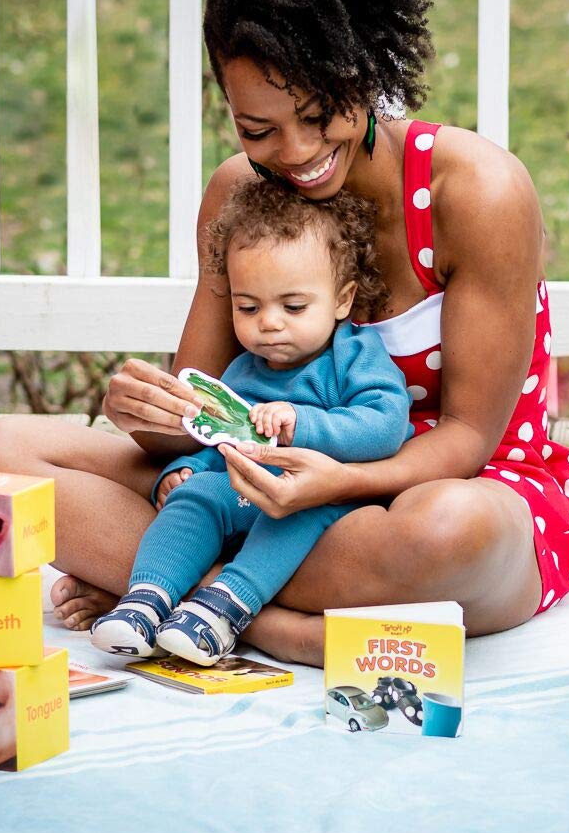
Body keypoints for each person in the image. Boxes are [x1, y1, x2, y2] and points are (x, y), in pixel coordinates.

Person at [0, 0, 569, 668]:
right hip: (256, 486)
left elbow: (467, 439)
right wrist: (146, 411)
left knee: (448, 529)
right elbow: (198, 419)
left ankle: (176, 591)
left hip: (434, 487)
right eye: (258, 129)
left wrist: (336, 482)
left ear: (365, 63)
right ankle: (270, 622)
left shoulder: (476, 194)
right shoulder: (241, 197)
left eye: (321, 114)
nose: (296, 154)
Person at [90, 179, 411, 663]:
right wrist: (193, 470)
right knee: (194, 499)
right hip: (245, 489)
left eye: (294, 306)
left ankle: (225, 607)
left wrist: (300, 422)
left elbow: (385, 424)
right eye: (249, 307)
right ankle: (146, 599)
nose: (270, 322)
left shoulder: (352, 356)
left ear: (341, 300)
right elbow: (223, 436)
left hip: (321, 494)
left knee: (295, 518)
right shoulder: (243, 369)